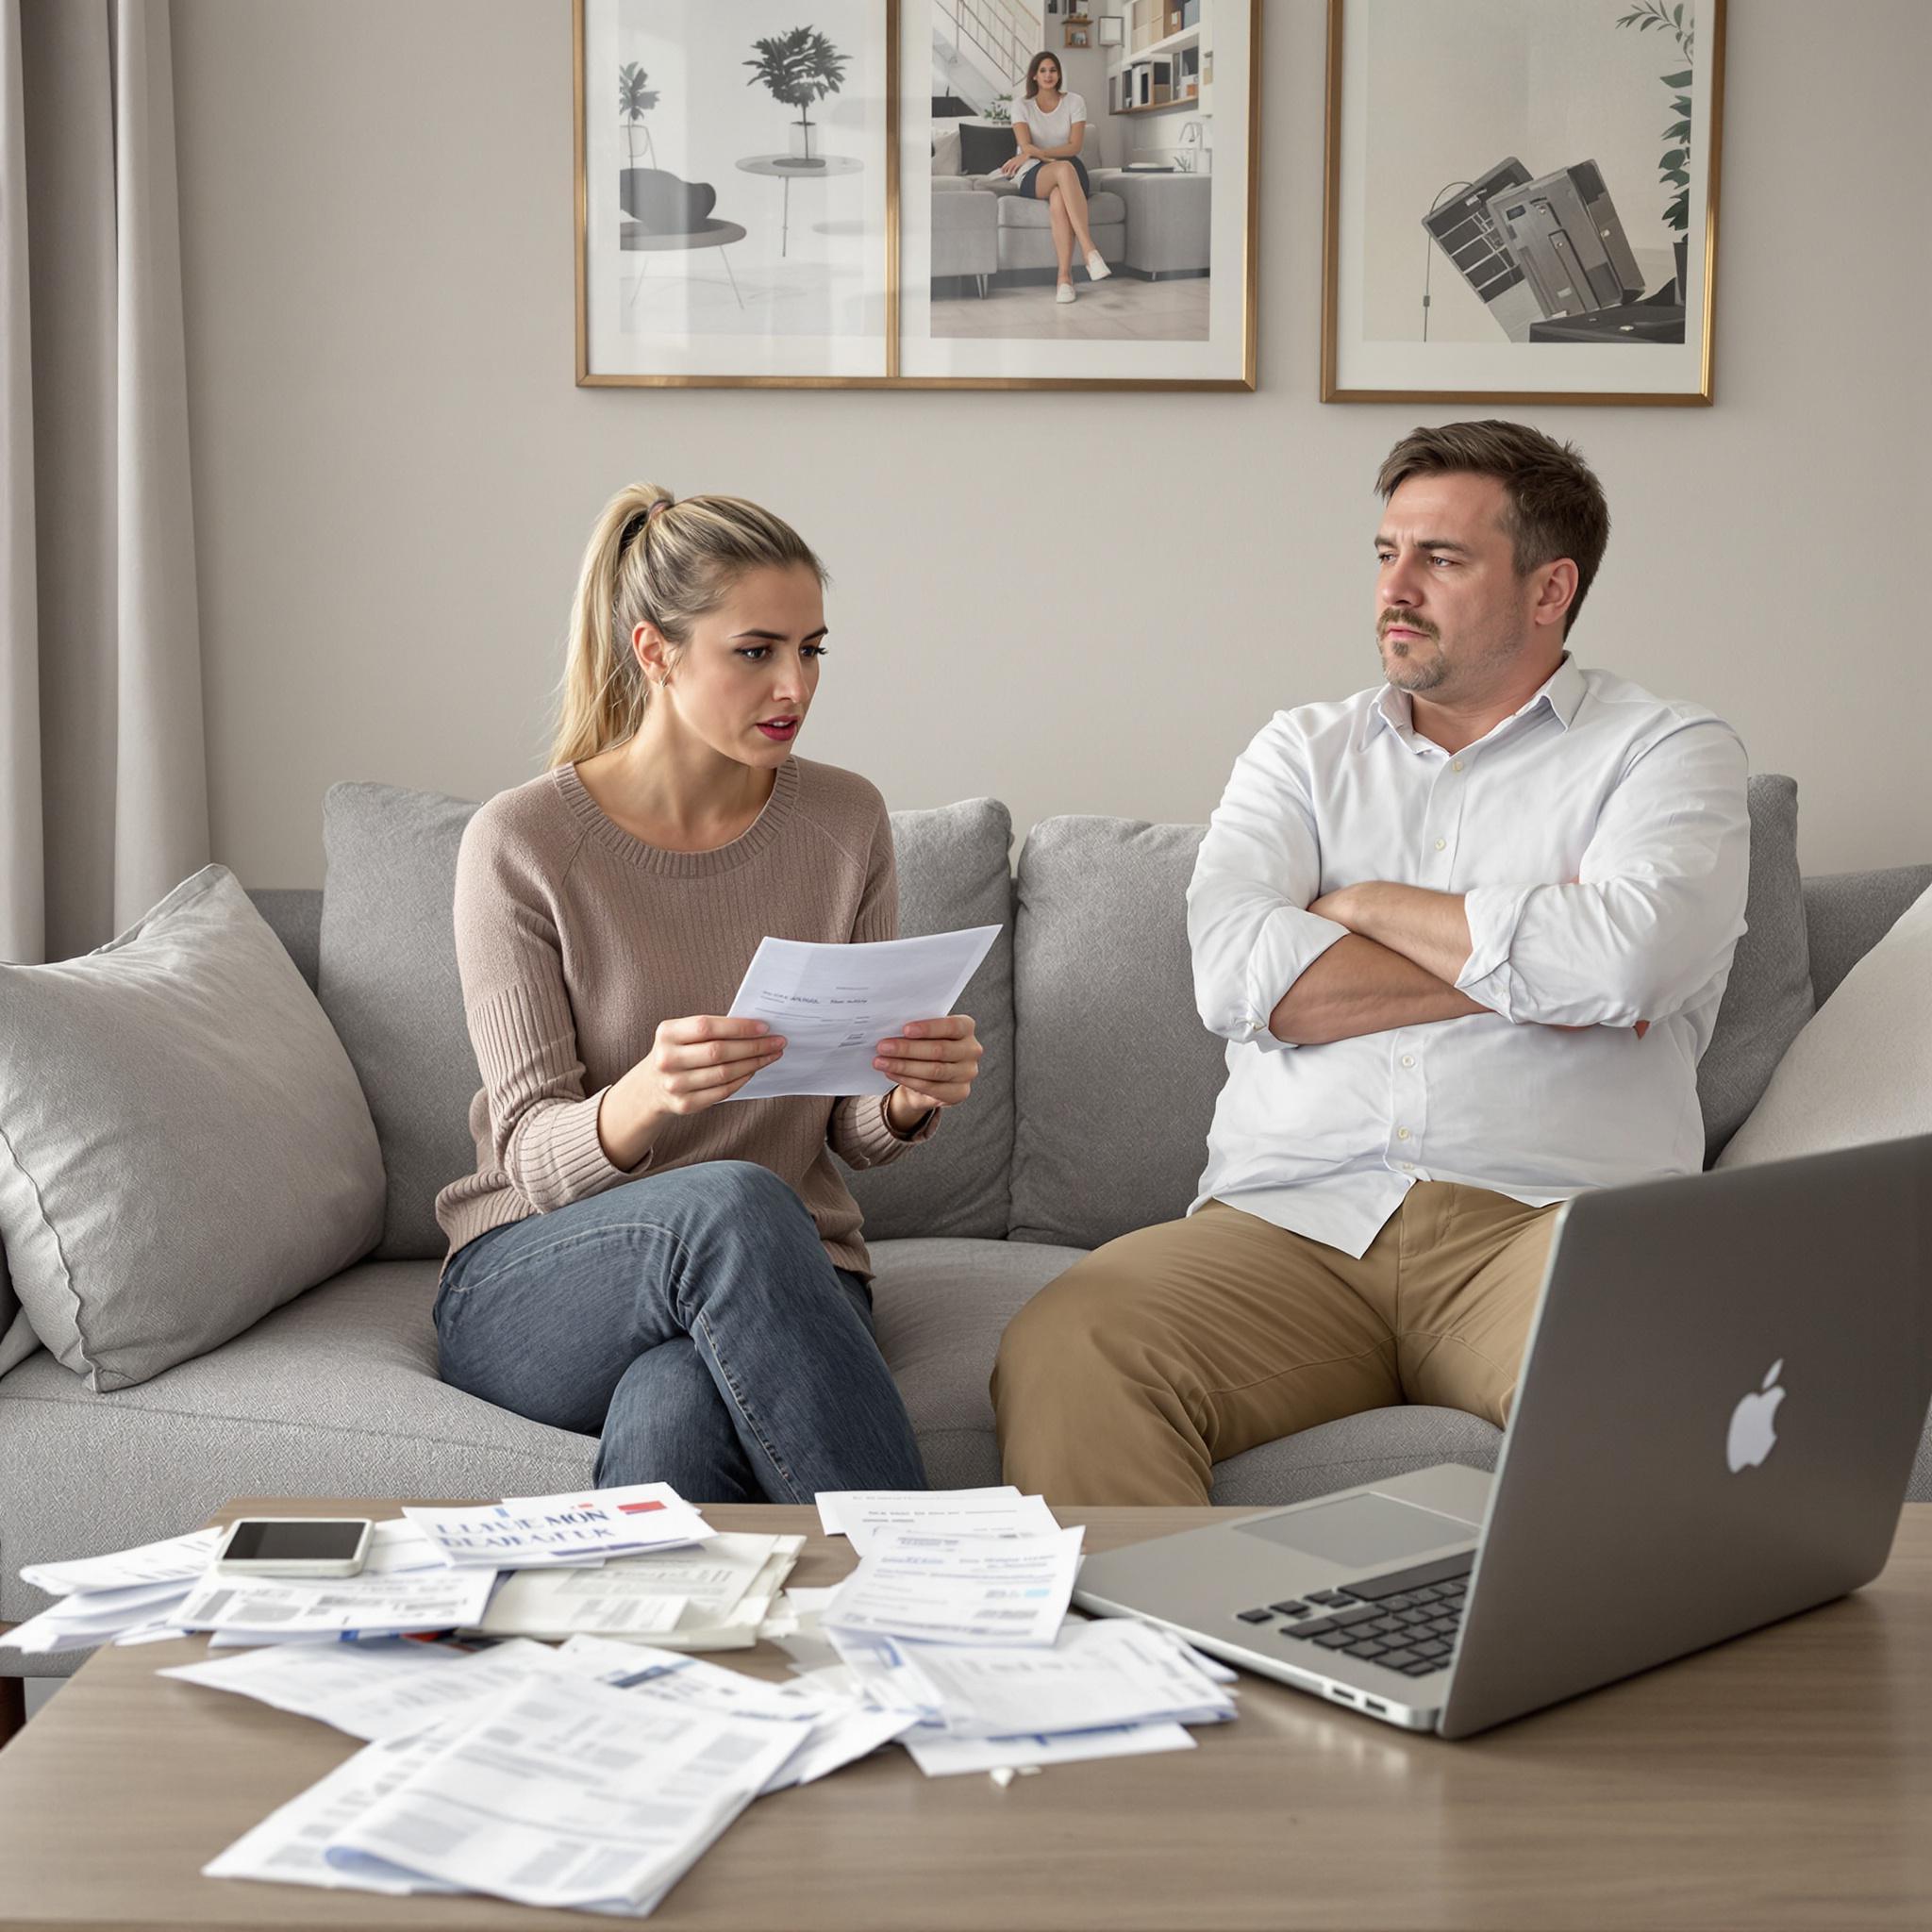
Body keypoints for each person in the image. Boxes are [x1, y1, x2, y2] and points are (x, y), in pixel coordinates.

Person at [991, 420, 1751, 1505]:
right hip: (1291, 1225)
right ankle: (1169, 1665)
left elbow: (1629, 963)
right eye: (1386, 551)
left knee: (1654, 1364)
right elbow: (1239, 981)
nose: (1395, 586)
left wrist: (1362, 907)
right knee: (1070, 1340)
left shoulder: (1665, 751)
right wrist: (1540, 960)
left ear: (1549, 590)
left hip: (1549, 1226)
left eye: (1440, 557)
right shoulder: (1300, 751)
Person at [433, 485, 985, 1502]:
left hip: (789, 1277)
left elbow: (844, 1127)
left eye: (811, 649)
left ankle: (637, 1655)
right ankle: (922, 1581)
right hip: (541, 1276)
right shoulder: (521, 843)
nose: (794, 684)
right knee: (733, 1201)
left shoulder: (844, 817)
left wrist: (903, 1096)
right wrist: (645, 1096)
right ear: (654, 651)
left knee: (674, 1407)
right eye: (755, 650)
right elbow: (529, 1157)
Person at [1000, 51, 1111, 304]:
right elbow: (1024, 144)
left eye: (1053, 70)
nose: (1048, 75)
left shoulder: (1075, 101)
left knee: (1060, 193)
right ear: (1034, 76)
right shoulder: (1021, 105)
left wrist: (1037, 152)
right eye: (1043, 71)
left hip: (1071, 169)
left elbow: (1074, 147)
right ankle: (1089, 251)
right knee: (1061, 169)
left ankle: (1064, 279)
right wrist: (1035, 154)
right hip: (1034, 172)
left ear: (1059, 74)